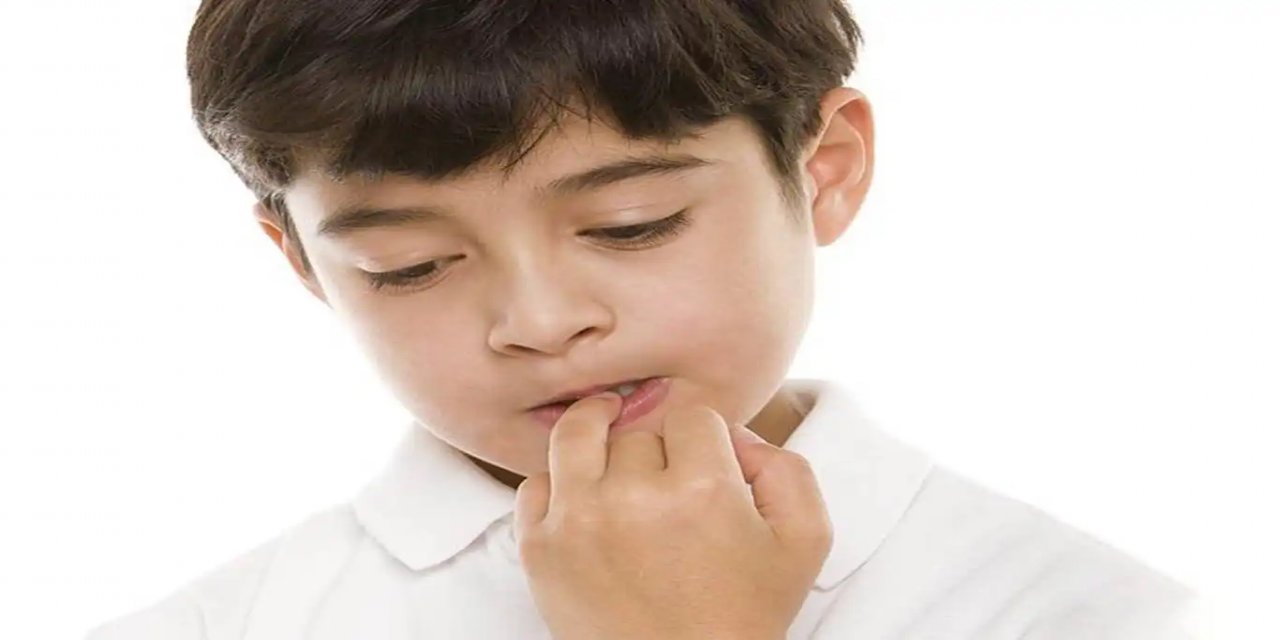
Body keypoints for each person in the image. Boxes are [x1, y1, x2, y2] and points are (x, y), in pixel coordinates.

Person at [88, 1, 1201, 638]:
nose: (541, 321)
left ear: (824, 168)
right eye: (410, 265)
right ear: (302, 261)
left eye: (632, 225)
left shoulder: (1089, 615)